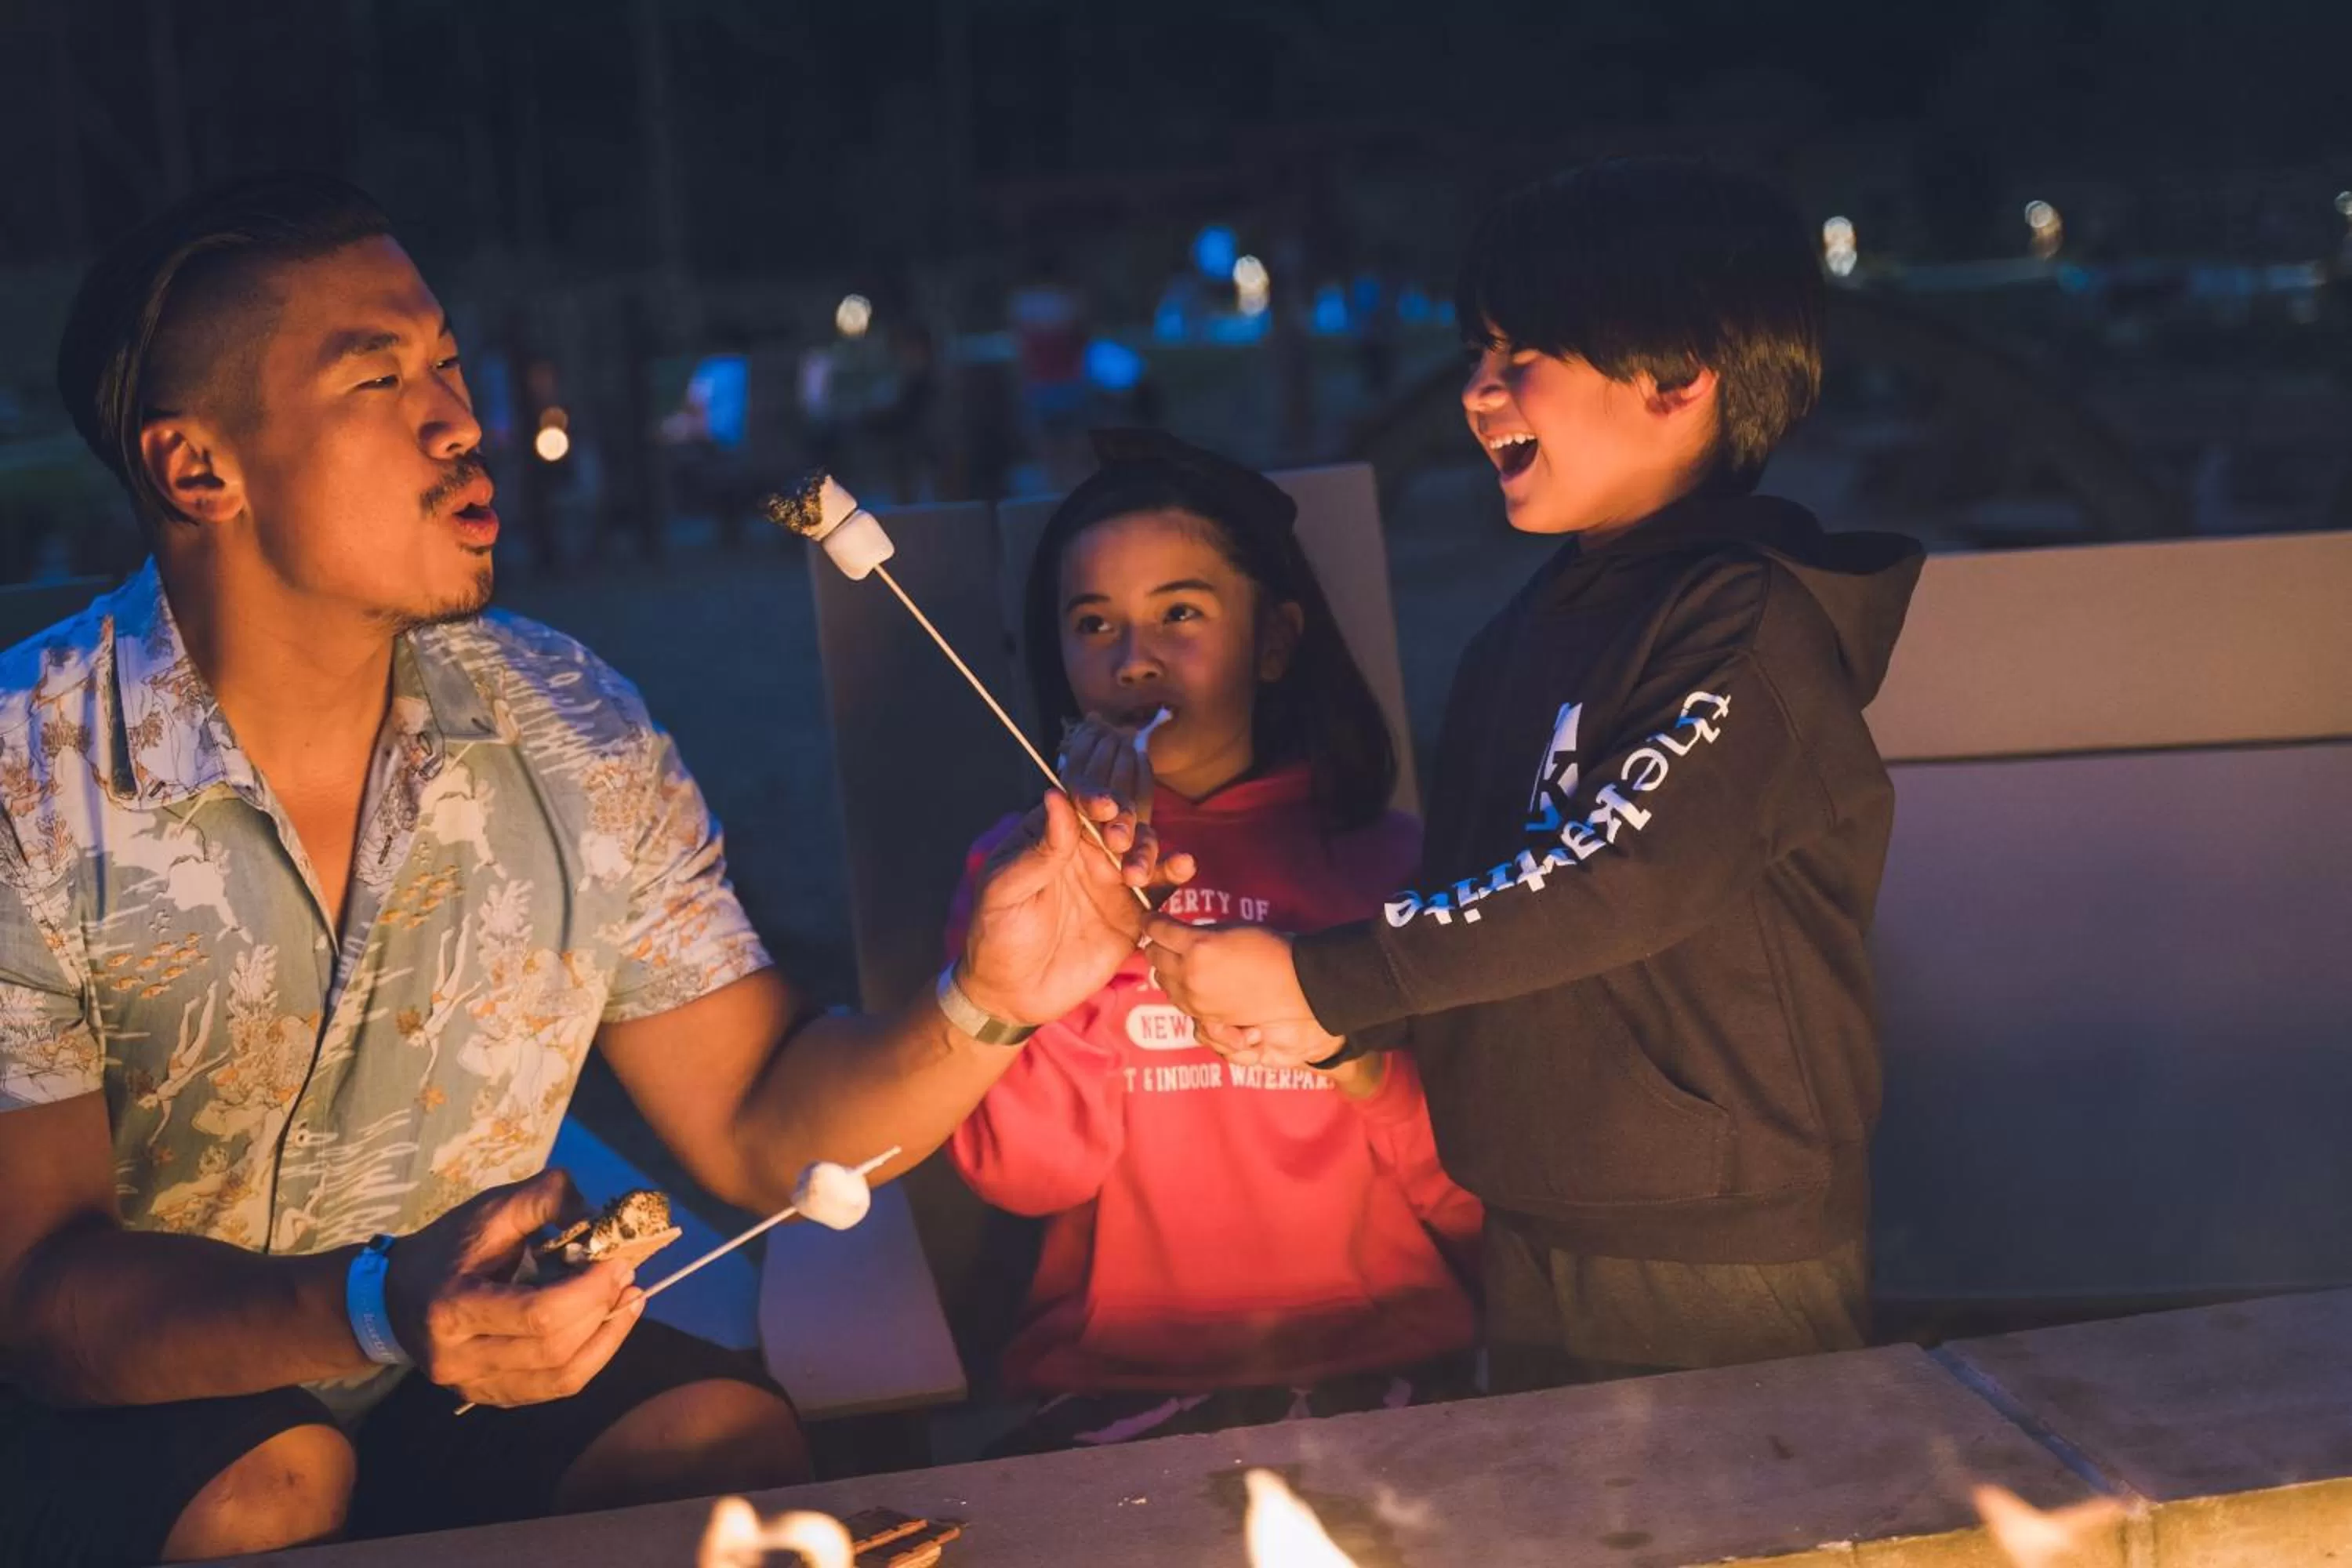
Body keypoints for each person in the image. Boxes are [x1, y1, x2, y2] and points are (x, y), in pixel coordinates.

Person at [0, 172, 1171, 1566]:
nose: (462, 419)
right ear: (201, 470)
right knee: (272, 1482)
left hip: (465, 1371)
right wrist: (380, 1306)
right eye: (379, 379)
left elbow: (759, 1121)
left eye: (444, 359)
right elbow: (40, 1296)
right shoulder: (32, 780)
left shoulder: (569, 728)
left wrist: (987, 1000)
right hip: (126, 1396)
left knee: (715, 1456)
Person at [1148, 159, 1927, 1393]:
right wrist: (1323, 1013)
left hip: (1715, 1238)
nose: (1477, 394)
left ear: (1679, 379)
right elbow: (1483, 888)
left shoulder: (1750, 624)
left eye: (1522, 356)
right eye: (1477, 354)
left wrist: (1330, 975)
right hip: (1523, 1209)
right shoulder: (1519, 636)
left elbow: (1621, 873)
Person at [946, 430, 1479, 1454]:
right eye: (1092, 622)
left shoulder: (1389, 865)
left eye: (1179, 613)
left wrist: (1348, 1050)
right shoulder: (1013, 875)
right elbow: (1028, 1176)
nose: (1133, 656)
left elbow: (1472, 1185)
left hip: (1386, 1361)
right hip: (1119, 1381)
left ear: (1275, 641)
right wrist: (1086, 922)